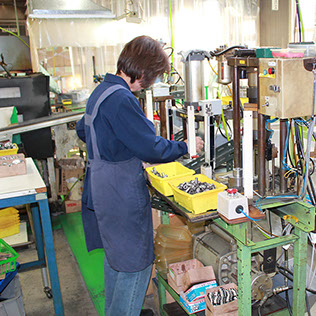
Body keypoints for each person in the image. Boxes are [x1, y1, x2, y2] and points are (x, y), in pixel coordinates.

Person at [76, 35, 204, 316]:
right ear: (144, 72)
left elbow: (83, 130)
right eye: (154, 76)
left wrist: (121, 149)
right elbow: (152, 147)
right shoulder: (121, 99)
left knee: (116, 261)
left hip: (103, 186)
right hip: (120, 193)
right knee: (137, 264)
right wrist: (187, 146)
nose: (152, 82)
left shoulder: (103, 91)